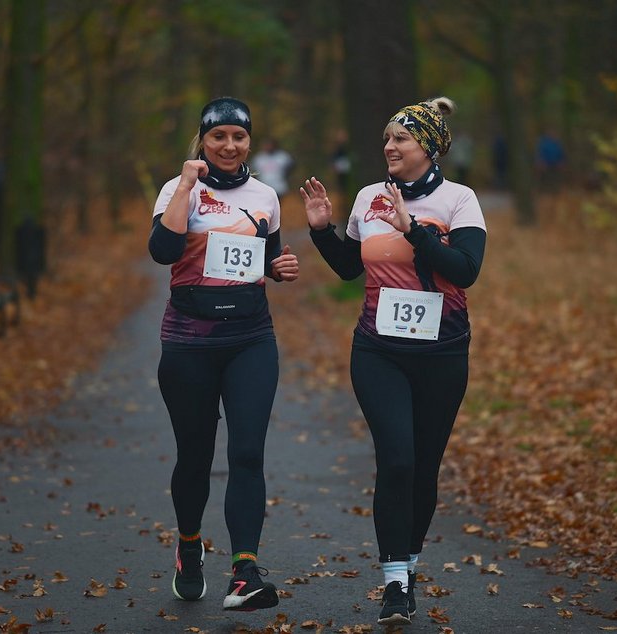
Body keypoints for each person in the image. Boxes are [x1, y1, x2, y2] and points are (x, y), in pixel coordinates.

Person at [300, 97, 486, 626]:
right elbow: (347, 271)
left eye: (399, 139)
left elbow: (465, 270)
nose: (389, 147)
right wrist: (320, 231)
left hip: (443, 354)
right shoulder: (366, 197)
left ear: (427, 147)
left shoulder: (459, 200)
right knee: (398, 459)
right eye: (386, 140)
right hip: (378, 351)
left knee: (424, 467)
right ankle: (395, 583)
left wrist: (414, 231)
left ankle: (408, 560)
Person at [147, 97, 299, 612]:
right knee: (195, 456)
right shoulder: (178, 188)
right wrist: (189, 185)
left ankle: (245, 571)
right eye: (219, 138)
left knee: (248, 452)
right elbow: (163, 252)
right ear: (203, 141)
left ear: (249, 141)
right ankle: (190, 546)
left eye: (238, 137)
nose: (229, 146)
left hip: (250, 338)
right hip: (189, 339)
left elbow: (266, 256)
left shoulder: (265, 195)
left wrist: (279, 269)